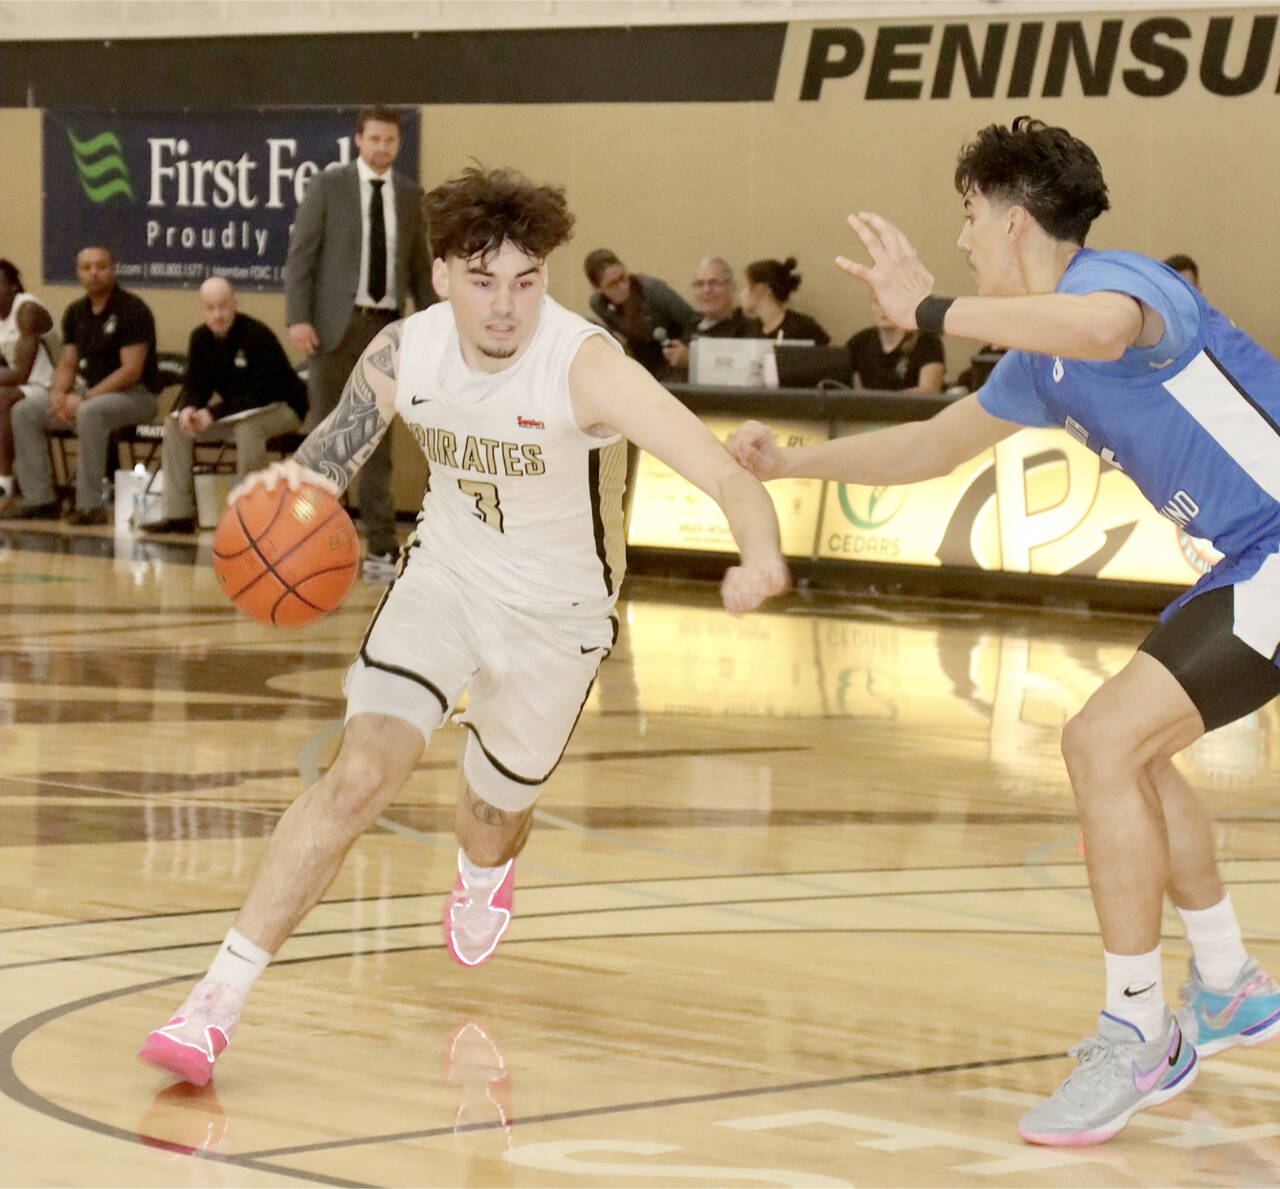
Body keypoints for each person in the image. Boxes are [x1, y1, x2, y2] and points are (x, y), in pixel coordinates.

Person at [138, 165, 790, 1086]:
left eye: (526, 282)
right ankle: (212, 1003)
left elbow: (726, 475)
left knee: (490, 819)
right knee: (357, 776)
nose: (504, 307)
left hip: (559, 616)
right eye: (482, 280)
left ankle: (484, 869)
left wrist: (758, 553)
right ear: (441, 274)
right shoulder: (403, 354)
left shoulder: (586, 365)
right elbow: (328, 456)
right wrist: (283, 490)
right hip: (444, 575)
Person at [727, 116, 1280, 1147]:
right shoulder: (1034, 357)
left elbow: (1106, 329)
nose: (964, 238)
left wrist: (929, 308)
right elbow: (935, 445)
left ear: (1010, 216)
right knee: (1137, 758)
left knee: (1098, 742)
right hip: (1248, 563)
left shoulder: (1122, 285)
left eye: (968, 219)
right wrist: (791, 464)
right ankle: (1226, 983)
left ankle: (1136, 1032)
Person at [284, 104, 433, 579]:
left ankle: (382, 549)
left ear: (398, 144)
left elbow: (419, 271)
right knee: (326, 438)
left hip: (385, 328)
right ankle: (311, 543)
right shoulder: (330, 186)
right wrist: (298, 318)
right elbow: (301, 256)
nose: (382, 148)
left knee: (375, 443)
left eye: (390, 141)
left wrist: (435, 327)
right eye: (375, 139)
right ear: (358, 140)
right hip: (332, 327)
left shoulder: (410, 196)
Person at [10, 245, 162, 524]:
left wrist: (85, 398)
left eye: (101, 266)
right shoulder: (76, 312)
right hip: (89, 395)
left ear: (112, 270)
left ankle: (90, 505)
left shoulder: (132, 309)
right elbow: (67, 363)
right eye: (86, 268)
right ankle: (40, 499)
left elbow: (131, 370)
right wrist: (57, 394)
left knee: (89, 413)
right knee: (25, 410)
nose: (94, 273)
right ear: (78, 273)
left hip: (136, 397)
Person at [147, 277, 308, 534]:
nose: (218, 314)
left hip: (283, 407)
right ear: (202, 309)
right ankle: (178, 515)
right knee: (176, 425)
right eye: (210, 308)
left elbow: (261, 394)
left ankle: (250, 517)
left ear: (235, 303)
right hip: (235, 411)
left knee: (248, 429)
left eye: (223, 306)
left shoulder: (256, 335)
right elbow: (196, 384)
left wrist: (213, 412)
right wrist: (189, 408)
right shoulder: (199, 338)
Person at [583, 249, 696, 378]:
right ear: (598, 288)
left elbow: (694, 322)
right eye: (613, 284)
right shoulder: (599, 305)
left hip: (673, 365)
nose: (623, 286)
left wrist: (687, 352)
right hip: (640, 367)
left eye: (623, 277)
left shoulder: (654, 291)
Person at [0, 259, 57, 511]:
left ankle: (4, 482)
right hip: (26, 390)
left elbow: (20, 374)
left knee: (4, 397)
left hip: (54, 389)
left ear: (12, 286)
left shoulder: (27, 311)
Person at [660, 257, 762, 377]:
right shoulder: (689, 325)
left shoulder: (747, 330)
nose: (706, 290)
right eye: (699, 284)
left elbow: (741, 372)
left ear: (732, 287)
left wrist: (692, 361)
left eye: (714, 283)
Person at [845, 292, 944, 393]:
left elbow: (929, 390)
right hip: (871, 407)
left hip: (911, 407)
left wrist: (885, 402)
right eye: (877, 302)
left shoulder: (927, 342)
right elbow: (837, 378)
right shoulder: (861, 341)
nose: (883, 309)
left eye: (892, 302)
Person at [740, 257, 830, 344]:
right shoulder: (747, 330)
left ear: (759, 290)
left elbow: (828, 356)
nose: (741, 294)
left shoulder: (804, 328)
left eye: (745, 286)